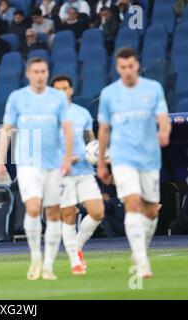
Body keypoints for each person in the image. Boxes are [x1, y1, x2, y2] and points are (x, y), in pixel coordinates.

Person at [0, 57, 74, 281]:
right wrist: (0, 161)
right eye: (36, 71)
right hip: (28, 164)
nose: (40, 75)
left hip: (54, 163)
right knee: (32, 208)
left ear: (47, 73)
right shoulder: (17, 98)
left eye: (43, 71)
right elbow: (6, 130)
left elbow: (67, 129)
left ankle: (48, 265)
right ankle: (35, 258)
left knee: (52, 213)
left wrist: (67, 158)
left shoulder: (57, 98)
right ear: (28, 74)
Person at [97, 47, 172, 278]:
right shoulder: (109, 94)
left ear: (137, 65)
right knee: (132, 203)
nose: (127, 71)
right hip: (122, 158)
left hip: (149, 158)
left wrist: (165, 132)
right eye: (123, 67)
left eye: (131, 66)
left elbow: (163, 119)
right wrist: (101, 161)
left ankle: (141, 249)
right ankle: (141, 261)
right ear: (117, 68)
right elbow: (104, 129)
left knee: (151, 212)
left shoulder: (153, 89)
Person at [51, 75, 104, 275]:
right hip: (61, 173)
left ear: (71, 90)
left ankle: (78, 247)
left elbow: (91, 141)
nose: (62, 92)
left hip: (83, 170)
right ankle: (75, 261)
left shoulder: (82, 113)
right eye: (57, 89)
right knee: (69, 214)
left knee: (97, 212)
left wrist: (99, 156)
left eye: (65, 88)